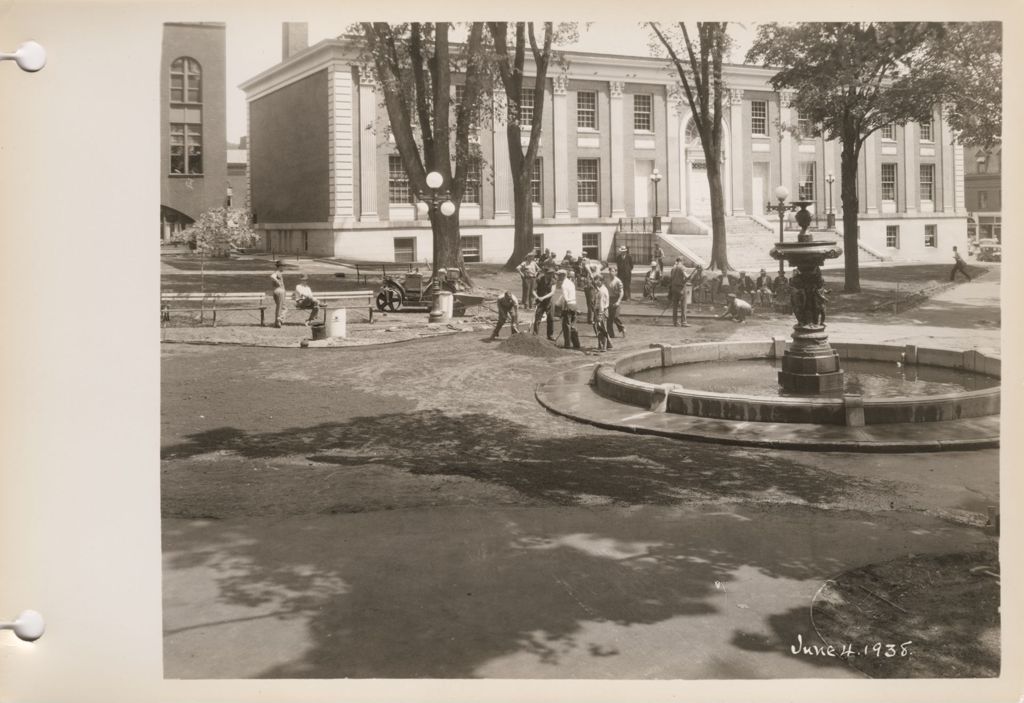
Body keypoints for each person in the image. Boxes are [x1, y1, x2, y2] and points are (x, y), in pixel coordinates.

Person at [532, 266, 557, 340]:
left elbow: (552, 292)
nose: (551, 275)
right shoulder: (539, 279)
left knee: (550, 318)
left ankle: (550, 335)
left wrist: (543, 297)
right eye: (549, 273)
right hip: (540, 301)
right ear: (545, 273)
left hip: (549, 301)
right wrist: (537, 297)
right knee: (537, 318)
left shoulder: (553, 281)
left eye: (552, 273)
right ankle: (535, 334)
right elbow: (533, 290)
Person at [667, 258, 691, 327]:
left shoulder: (673, 268)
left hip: (674, 288)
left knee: (675, 306)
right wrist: (692, 275)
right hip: (681, 289)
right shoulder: (682, 267)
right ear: (682, 261)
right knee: (683, 305)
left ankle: (675, 322)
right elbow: (686, 277)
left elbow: (671, 279)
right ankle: (683, 322)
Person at [592, 275, 611, 351]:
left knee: (602, 329)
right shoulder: (600, 289)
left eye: (598, 280)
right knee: (600, 328)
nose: (596, 281)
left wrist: (600, 315)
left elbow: (601, 304)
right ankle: (605, 344)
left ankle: (604, 346)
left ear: (602, 281)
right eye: (595, 280)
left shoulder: (602, 291)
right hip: (600, 310)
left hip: (601, 311)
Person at [606, 268, 625, 338]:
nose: (611, 273)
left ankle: (622, 327)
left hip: (616, 299)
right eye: (610, 271)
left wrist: (618, 301)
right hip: (609, 300)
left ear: (616, 272)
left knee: (615, 316)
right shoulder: (607, 280)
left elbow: (621, 292)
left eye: (613, 271)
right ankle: (611, 334)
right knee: (608, 318)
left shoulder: (618, 281)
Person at [269, 260, 287, 328]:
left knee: (281, 308)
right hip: (279, 291)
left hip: (277, 291)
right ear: (280, 266)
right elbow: (272, 276)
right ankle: (279, 319)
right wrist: (277, 281)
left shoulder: (279, 272)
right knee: (282, 308)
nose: (284, 268)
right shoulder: (277, 272)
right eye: (283, 266)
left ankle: (277, 323)